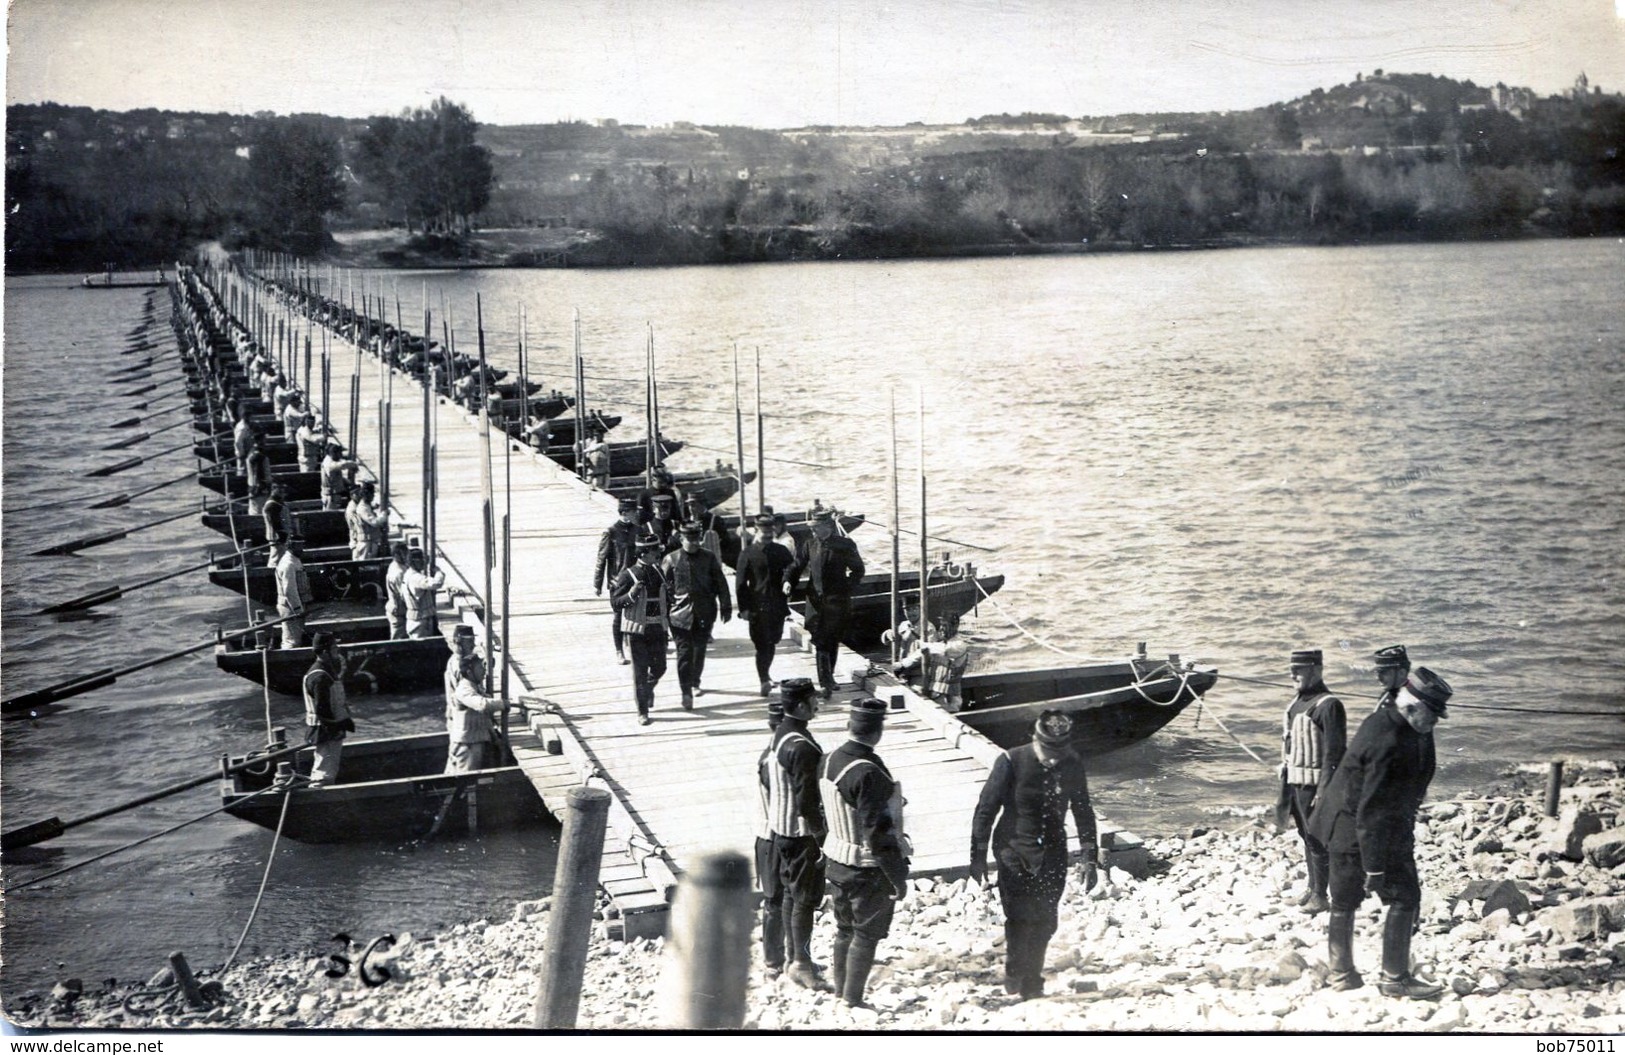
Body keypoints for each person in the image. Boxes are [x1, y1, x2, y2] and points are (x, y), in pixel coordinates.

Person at [1309, 667, 1453, 999]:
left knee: (1405, 896)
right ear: (1413, 706)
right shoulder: (1384, 736)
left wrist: (1406, 829)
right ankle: (1360, 976)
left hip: (1382, 825)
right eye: (1433, 715)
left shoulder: (1415, 724)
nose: (1436, 722)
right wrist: (1374, 868)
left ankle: (1385, 977)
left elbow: (1416, 782)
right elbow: (1368, 809)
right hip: (1349, 827)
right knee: (1353, 899)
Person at [970, 709, 1100, 1001]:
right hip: (1012, 850)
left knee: (1046, 921)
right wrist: (977, 857)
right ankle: (1023, 974)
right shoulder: (1010, 761)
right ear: (1035, 740)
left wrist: (1090, 859)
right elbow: (985, 809)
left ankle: (1029, 974)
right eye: (1048, 752)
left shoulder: (1072, 763)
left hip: (1053, 852)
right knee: (1019, 918)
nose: (1053, 759)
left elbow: (1083, 811)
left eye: (1059, 752)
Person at [818, 697, 910, 1008]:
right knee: (866, 934)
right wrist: (898, 877)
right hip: (866, 868)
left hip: (837, 862)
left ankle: (840, 991)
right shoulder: (868, 773)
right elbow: (878, 835)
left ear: (849, 726)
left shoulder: (829, 759)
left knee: (844, 929)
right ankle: (852, 999)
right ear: (877, 732)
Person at [766, 677, 829, 991]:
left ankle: (794, 956)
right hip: (801, 832)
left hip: (781, 828)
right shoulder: (802, 746)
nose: (818, 704)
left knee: (792, 895)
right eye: (814, 700)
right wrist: (822, 837)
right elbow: (806, 801)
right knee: (805, 899)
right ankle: (801, 964)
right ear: (802, 705)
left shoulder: (782, 732)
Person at [1279, 648, 1347, 915]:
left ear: (1316, 670)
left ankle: (1322, 896)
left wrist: (1325, 790)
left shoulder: (1329, 705)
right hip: (1296, 782)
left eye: (1300, 669)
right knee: (1306, 836)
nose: (1292, 674)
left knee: (1318, 838)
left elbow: (1335, 753)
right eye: (1292, 669)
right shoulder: (1296, 703)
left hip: (1316, 785)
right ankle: (1312, 887)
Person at [793, 509, 866, 699]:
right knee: (820, 641)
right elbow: (797, 565)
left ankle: (829, 677)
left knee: (832, 639)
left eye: (817, 528)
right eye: (812, 528)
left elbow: (858, 570)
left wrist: (846, 588)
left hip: (836, 602)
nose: (813, 532)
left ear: (828, 527)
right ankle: (825, 682)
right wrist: (787, 580)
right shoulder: (809, 544)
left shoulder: (845, 545)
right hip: (815, 602)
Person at [661, 520, 732, 709]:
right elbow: (662, 588)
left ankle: (695, 682)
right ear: (681, 538)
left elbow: (720, 582)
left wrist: (725, 605)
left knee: (699, 651)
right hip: (679, 615)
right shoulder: (671, 559)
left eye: (696, 538)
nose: (693, 542)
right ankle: (686, 692)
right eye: (689, 538)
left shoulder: (708, 558)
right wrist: (663, 614)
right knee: (684, 654)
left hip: (704, 612)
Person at [610, 534, 671, 727]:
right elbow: (615, 603)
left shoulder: (659, 571)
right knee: (640, 673)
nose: (658, 555)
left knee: (661, 667)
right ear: (644, 552)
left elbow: (666, 599)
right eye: (654, 551)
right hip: (637, 631)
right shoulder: (628, 575)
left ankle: (648, 689)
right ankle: (642, 711)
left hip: (657, 628)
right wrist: (631, 594)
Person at [736, 512, 796, 697]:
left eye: (771, 534)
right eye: (765, 535)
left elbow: (792, 567)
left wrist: (787, 580)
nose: (768, 537)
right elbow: (740, 584)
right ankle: (763, 679)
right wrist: (744, 609)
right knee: (762, 645)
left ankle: (766, 675)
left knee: (772, 642)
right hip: (757, 607)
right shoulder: (747, 554)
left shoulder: (781, 551)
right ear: (756, 531)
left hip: (777, 606)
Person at [755, 697, 788, 980]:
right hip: (773, 835)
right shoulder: (774, 759)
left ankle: (781, 955)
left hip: (768, 835)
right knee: (776, 899)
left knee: (778, 899)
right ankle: (773, 960)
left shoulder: (771, 753)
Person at [594, 497, 642, 665]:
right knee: (618, 616)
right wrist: (598, 583)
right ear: (624, 512)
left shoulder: (638, 530)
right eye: (633, 511)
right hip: (618, 581)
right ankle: (619, 650)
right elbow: (602, 559)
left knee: (637, 612)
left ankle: (632, 645)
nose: (636, 514)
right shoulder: (611, 532)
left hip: (636, 578)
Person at [302, 631, 353, 787]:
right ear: (325, 652)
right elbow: (322, 709)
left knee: (328, 765)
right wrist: (335, 728)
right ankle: (319, 795)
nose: (337, 649)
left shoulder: (325, 670)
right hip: (325, 729)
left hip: (329, 727)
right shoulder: (320, 677)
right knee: (324, 771)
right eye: (334, 647)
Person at [446, 652, 505, 773]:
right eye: (480, 668)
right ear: (469, 672)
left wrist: (494, 737)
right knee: (465, 782)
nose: (484, 671)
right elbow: (482, 705)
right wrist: (504, 704)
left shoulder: (476, 688)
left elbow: (484, 718)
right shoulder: (464, 690)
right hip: (466, 746)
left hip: (475, 742)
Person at [274, 539, 313, 650]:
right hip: (290, 607)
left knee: (295, 638)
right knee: (291, 641)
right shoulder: (288, 564)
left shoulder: (294, 560)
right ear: (291, 546)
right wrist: (297, 610)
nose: (302, 549)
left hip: (295, 605)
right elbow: (289, 590)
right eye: (299, 546)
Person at [401, 546, 446, 639]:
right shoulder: (415, 577)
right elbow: (436, 583)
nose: (423, 563)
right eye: (421, 560)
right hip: (420, 621)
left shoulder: (408, 574)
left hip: (417, 618)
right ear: (414, 562)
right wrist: (438, 572)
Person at [346, 480, 389, 561]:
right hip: (366, 543)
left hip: (370, 541)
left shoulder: (366, 506)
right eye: (372, 494)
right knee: (366, 565)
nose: (373, 496)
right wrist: (384, 515)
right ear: (366, 494)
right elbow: (374, 522)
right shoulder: (362, 508)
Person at [383, 541, 411, 640]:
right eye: (404, 553)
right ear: (396, 555)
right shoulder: (399, 573)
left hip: (397, 608)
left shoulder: (394, 565)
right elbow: (405, 594)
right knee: (398, 639)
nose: (407, 556)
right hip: (399, 611)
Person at [320, 443, 359, 511]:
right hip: (330, 496)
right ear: (334, 453)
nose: (341, 455)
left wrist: (347, 482)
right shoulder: (329, 463)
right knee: (330, 516)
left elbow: (334, 477)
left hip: (335, 494)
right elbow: (342, 465)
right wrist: (353, 464)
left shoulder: (330, 459)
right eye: (339, 453)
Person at [1372, 644, 1410, 712]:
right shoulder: (1388, 694)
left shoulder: (1409, 704)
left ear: (1402, 673)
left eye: (1384, 673)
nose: (1378, 678)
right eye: (1377, 673)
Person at [262, 480, 292, 551]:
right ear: (273, 490)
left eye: (283, 489)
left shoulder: (278, 502)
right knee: (276, 560)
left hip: (284, 536)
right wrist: (281, 535)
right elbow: (274, 523)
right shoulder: (272, 505)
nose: (282, 491)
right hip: (277, 538)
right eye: (279, 489)